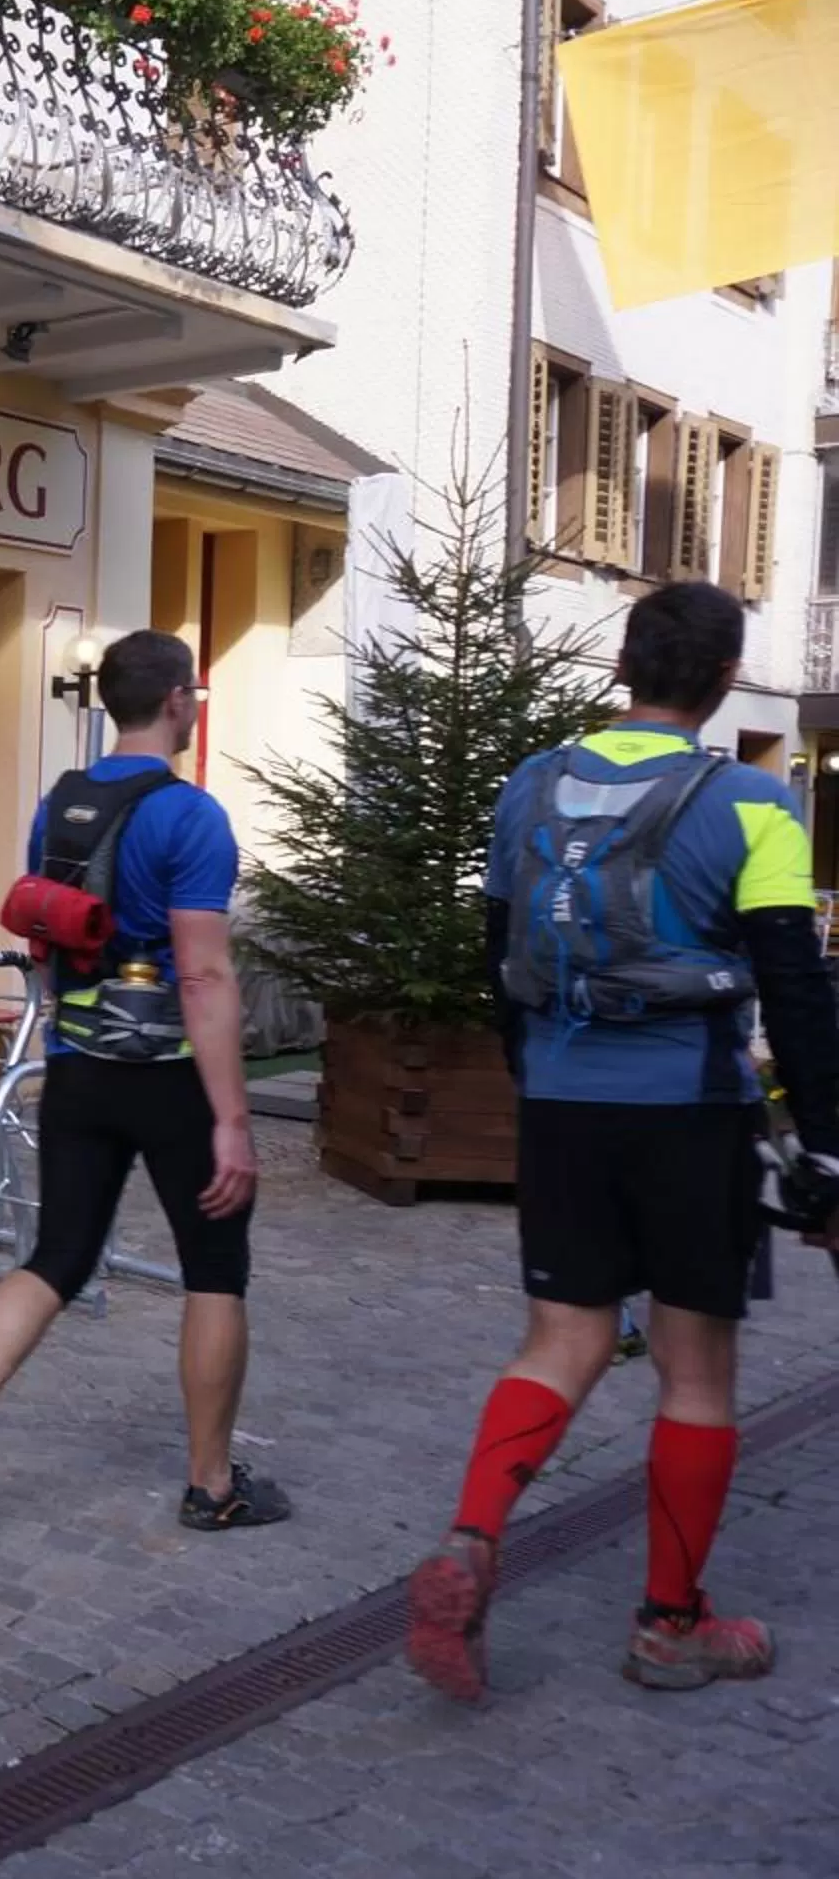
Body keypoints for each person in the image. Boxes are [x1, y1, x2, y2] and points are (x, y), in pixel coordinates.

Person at [408, 581, 839, 1701]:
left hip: (563, 1101)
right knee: (696, 1368)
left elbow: (499, 950)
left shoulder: (530, 786)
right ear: (724, 681)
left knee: (561, 1338)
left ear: (621, 666)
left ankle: (471, 1537)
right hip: (692, 1112)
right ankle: (670, 1626)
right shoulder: (753, 803)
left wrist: (537, 1075)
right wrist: (827, 1149)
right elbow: (797, 988)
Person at [0, 630, 289, 1542]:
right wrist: (232, 1119)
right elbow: (204, 975)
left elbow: (46, 941)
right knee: (215, 1270)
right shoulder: (191, 817)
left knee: (58, 1255)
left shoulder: (60, 808)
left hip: (79, 1068)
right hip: (170, 1079)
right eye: (194, 695)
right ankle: (212, 1486)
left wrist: (65, 1034)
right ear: (176, 701)